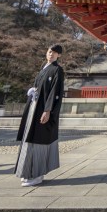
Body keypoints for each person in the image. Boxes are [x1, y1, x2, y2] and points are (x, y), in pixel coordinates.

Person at [15, 43, 64, 187]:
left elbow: (55, 92)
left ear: (59, 56)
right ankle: (27, 173)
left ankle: (36, 174)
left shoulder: (57, 70)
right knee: (29, 139)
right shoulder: (44, 69)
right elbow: (39, 87)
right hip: (34, 107)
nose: (51, 54)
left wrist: (48, 110)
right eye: (49, 52)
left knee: (39, 141)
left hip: (43, 109)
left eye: (54, 53)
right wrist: (32, 90)